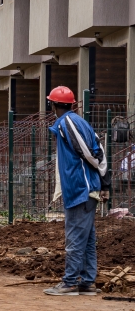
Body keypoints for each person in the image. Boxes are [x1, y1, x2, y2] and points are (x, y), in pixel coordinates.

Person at [43, 86, 109, 296]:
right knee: (87, 239)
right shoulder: (75, 122)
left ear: (53, 105)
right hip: (83, 190)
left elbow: (92, 153)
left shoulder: (68, 122)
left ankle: (70, 282)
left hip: (81, 190)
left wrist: (101, 176)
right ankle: (87, 282)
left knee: (74, 239)